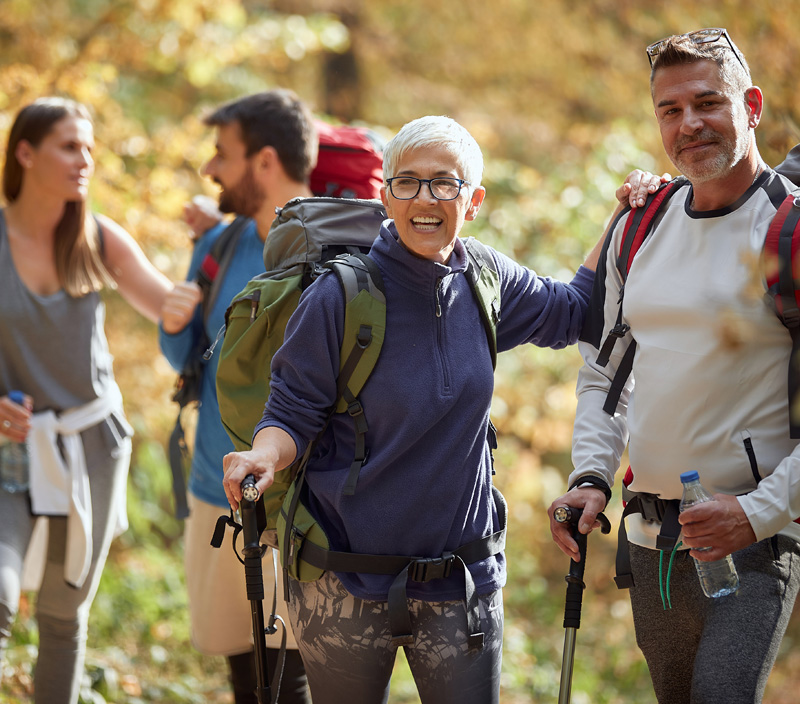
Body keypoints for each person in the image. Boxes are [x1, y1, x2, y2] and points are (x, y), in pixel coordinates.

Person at [221, 115, 660, 704]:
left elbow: (578, 310)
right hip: (342, 580)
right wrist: (263, 455)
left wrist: (624, 216)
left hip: (461, 580)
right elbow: (292, 411)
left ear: (472, 200)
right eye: (407, 182)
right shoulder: (339, 296)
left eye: (444, 183)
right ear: (385, 195)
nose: (424, 199)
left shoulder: (486, 277)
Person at [548, 28, 800, 704]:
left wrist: (758, 511)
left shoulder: (788, 231)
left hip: (752, 544)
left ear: (750, 106)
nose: (689, 124)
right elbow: (608, 374)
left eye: (708, 103)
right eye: (670, 110)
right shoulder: (641, 222)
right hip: (650, 537)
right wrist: (592, 476)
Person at [0, 97, 173, 704]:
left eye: (90, 149)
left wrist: (223, 248)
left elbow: (170, 307)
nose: (85, 161)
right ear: (25, 152)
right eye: (70, 146)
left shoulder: (96, 237)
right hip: (9, 452)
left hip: (93, 447)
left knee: (63, 614)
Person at [159, 90, 315, 704]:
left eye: (223, 153)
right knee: (244, 676)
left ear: (266, 161)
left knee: (290, 675)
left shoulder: (326, 245)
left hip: (294, 503)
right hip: (211, 490)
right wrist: (174, 329)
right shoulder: (219, 245)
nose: (210, 168)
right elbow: (190, 364)